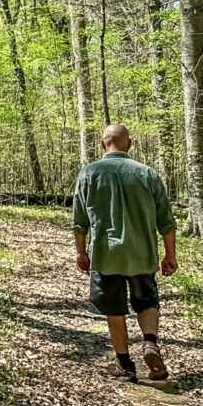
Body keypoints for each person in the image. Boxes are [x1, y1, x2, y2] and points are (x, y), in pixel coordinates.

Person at [72, 123, 178, 381]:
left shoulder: (89, 173)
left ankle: (124, 364)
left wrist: (81, 252)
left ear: (102, 144)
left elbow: (79, 220)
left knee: (114, 308)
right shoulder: (148, 174)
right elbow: (166, 220)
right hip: (142, 253)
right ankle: (150, 343)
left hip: (106, 254)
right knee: (147, 301)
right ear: (129, 144)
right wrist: (169, 255)